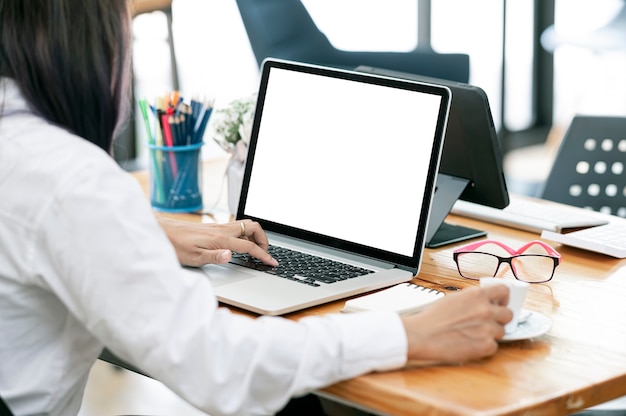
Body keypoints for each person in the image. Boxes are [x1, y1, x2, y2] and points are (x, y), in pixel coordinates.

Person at [0, 1, 513, 415]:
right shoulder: (67, 178)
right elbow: (217, 366)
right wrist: (409, 331)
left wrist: (141, 230)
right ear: (90, 41)